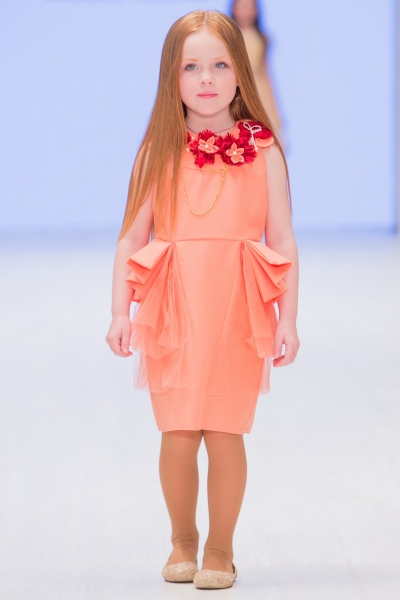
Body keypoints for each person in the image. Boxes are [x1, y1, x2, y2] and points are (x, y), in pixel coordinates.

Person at [105, 9, 299, 590]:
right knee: (179, 431)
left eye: (220, 64)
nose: (207, 78)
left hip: (238, 309)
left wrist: (288, 317)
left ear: (242, 72)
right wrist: (119, 311)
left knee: (225, 431)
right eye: (191, 67)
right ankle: (182, 540)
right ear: (172, 75)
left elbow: (282, 239)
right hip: (173, 310)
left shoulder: (264, 153)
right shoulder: (157, 153)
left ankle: (220, 548)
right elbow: (131, 238)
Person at [230, 0, 282, 138]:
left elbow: (266, 72)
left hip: (260, 90)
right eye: (241, 7)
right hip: (237, 88)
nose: (245, 11)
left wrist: (275, 110)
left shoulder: (263, 38)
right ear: (234, 9)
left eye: (249, 7)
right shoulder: (229, 37)